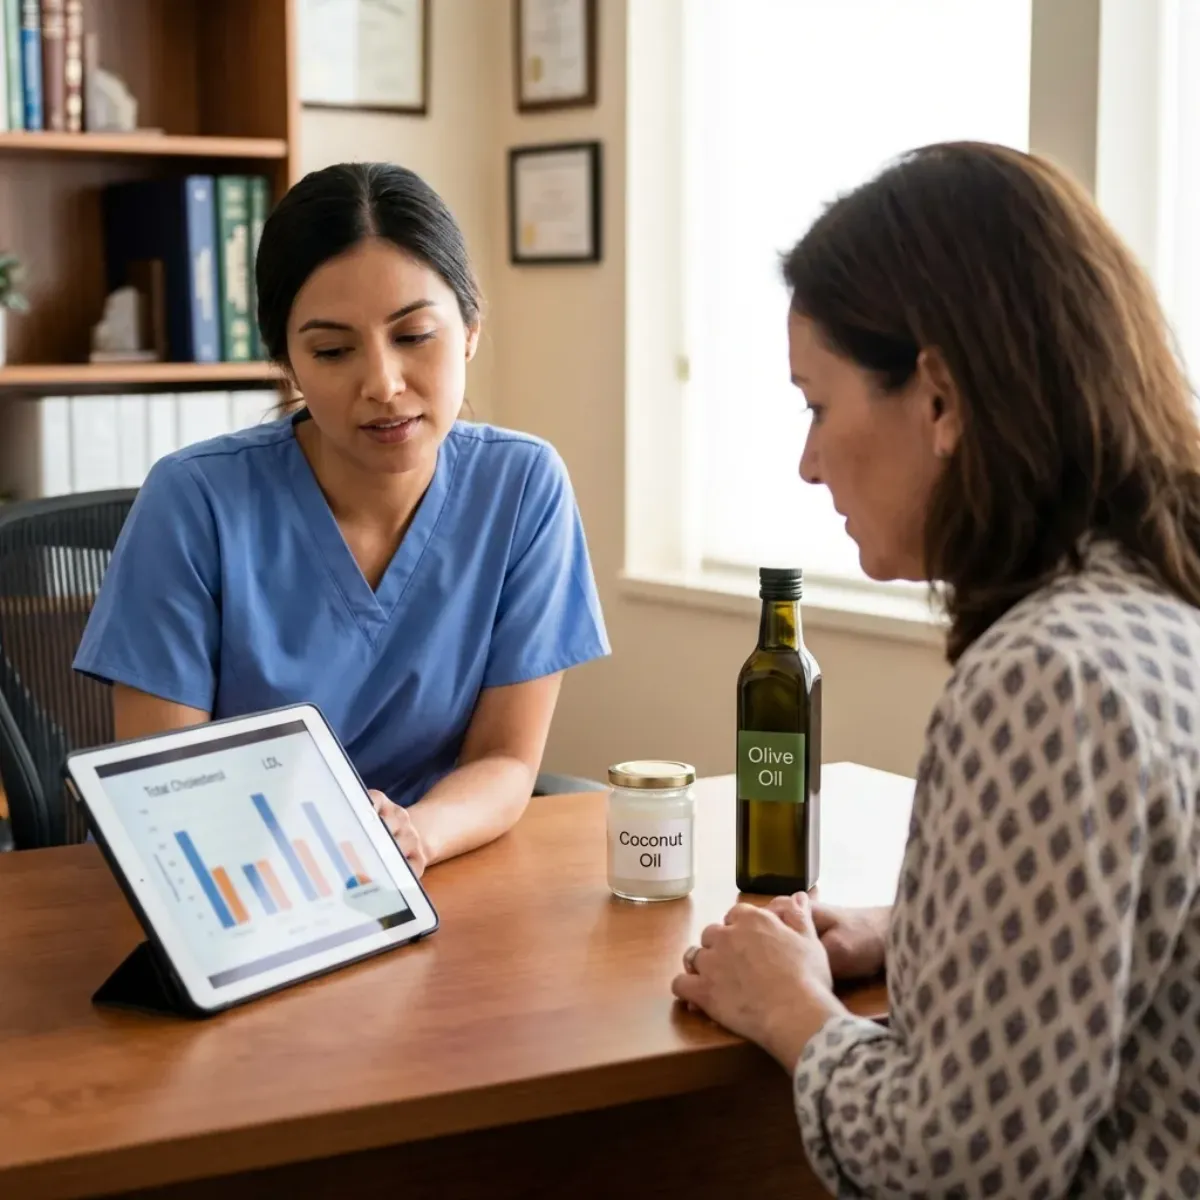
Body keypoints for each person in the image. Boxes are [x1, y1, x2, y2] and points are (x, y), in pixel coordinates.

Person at [672, 142, 1200, 1198]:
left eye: (817, 407)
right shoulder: (1161, 618)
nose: (808, 463)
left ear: (943, 397)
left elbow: (958, 1165)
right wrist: (913, 932)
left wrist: (792, 1009)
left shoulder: (1047, 679)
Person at [73, 162, 610, 876]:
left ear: (472, 329)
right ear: (287, 361)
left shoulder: (522, 487)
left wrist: (412, 834)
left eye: (415, 335)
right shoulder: (192, 502)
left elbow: (506, 760)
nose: (384, 385)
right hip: (230, 883)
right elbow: (165, 793)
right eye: (332, 350)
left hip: (423, 877)